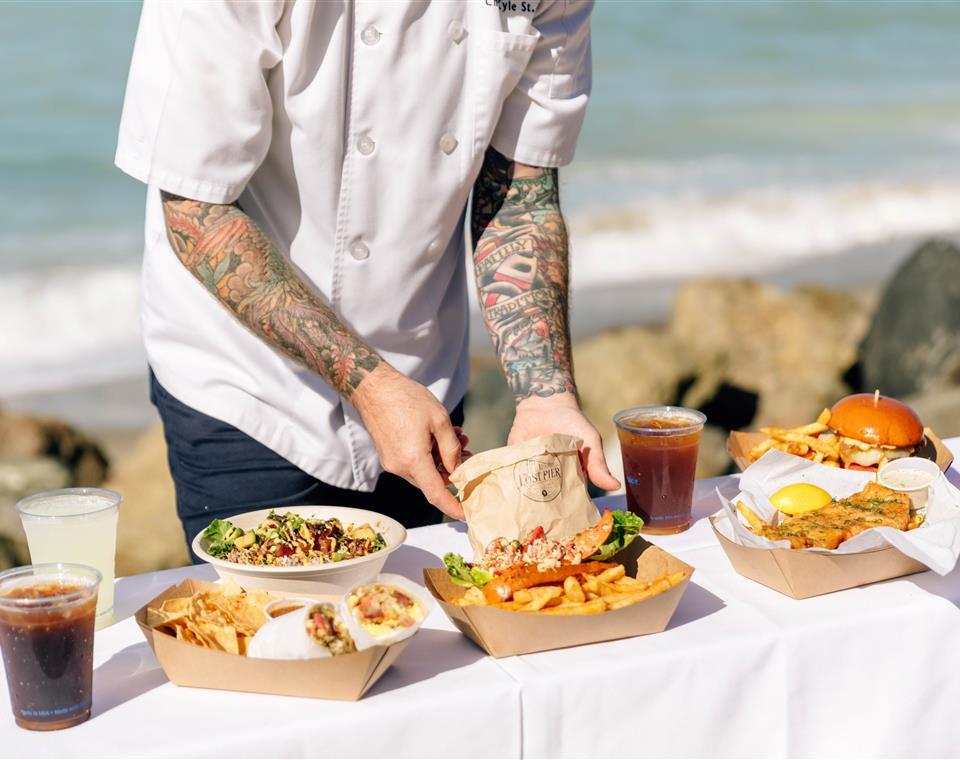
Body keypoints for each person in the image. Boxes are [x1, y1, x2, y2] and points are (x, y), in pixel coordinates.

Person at [115, 0, 618, 555]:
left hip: (421, 377)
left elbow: (520, 197)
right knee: (271, 632)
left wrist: (546, 396)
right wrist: (372, 386)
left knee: (427, 627)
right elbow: (195, 211)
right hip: (250, 388)